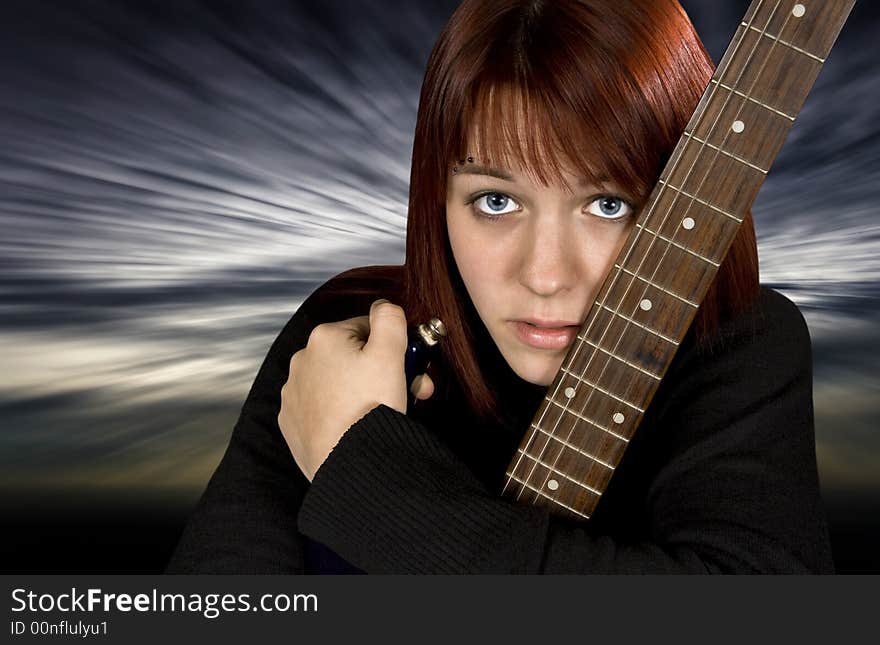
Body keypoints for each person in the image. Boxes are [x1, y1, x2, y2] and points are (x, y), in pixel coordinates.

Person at [166, 0, 834, 574]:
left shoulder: (740, 344)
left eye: (608, 205)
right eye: (494, 201)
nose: (545, 275)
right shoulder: (349, 332)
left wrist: (364, 470)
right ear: (437, 198)